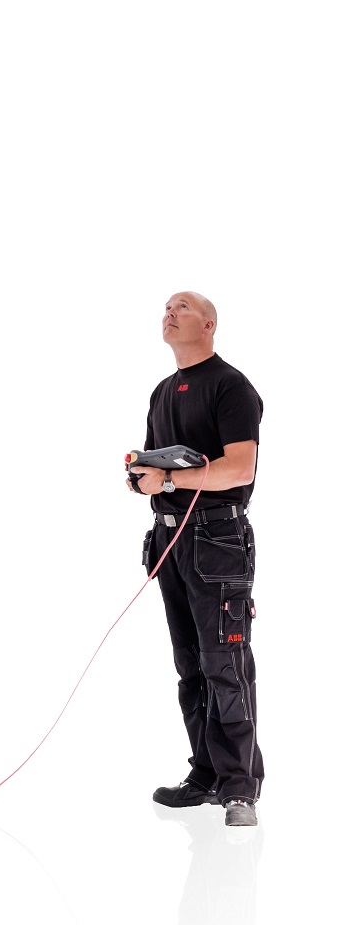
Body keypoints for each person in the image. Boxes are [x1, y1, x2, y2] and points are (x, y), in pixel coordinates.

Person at [129, 292, 263, 827]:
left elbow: (239, 469)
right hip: (170, 541)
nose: (169, 311)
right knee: (191, 666)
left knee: (224, 664)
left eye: (182, 306)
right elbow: (152, 468)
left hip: (217, 542)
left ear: (208, 325)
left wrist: (167, 479)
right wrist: (143, 478)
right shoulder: (163, 392)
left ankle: (239, 790)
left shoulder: (231, 386)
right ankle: (205, 775)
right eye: (166, 306)